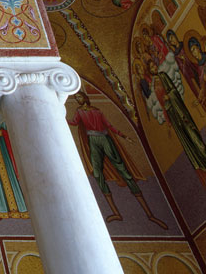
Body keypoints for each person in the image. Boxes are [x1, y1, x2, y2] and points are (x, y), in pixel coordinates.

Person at [68, 91, 167, 227]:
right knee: (97, 173)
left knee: (123, 170)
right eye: (76, 97)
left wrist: (123, 136)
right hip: (92, 140)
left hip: (104, 139)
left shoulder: (97, 111)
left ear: (85, 97)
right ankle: (116, 212)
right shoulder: (79, 112)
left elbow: (109, 125)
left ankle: (150, 214)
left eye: (79, 96)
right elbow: (74, 122)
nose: (78, 99)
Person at [149, 61, 206, 186]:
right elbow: (162, 105)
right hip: (173, 114)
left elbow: (173, 91)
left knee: (193, 134)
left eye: (154, 65)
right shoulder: (154, 85)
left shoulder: (163, 76)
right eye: (151, 67)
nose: (154, 67)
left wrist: (169, 96)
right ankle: (199, 162)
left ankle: (203, 155)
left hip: (179, 110)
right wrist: (168, 120)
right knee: (185, 139)